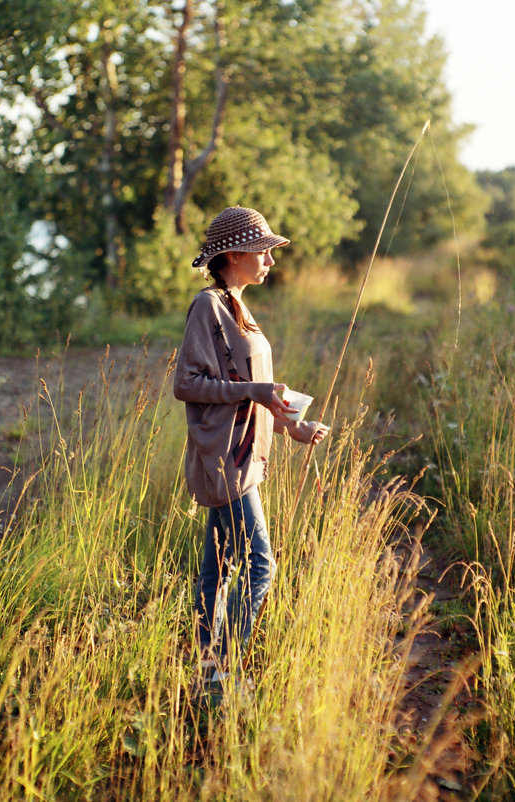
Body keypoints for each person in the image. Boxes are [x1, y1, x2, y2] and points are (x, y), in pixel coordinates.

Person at [174, 206, 328, 682]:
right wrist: (255, 393)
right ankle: (222, 667)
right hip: (226, 456)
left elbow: (249, 387)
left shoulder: (239, 307)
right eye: (264, 251)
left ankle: (206, 672)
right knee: (261, 567)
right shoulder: (209, 306)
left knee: (217, 571)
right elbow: (188, 383)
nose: (271, 261)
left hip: (245, 452)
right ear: (236, 254)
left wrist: (290, 426)